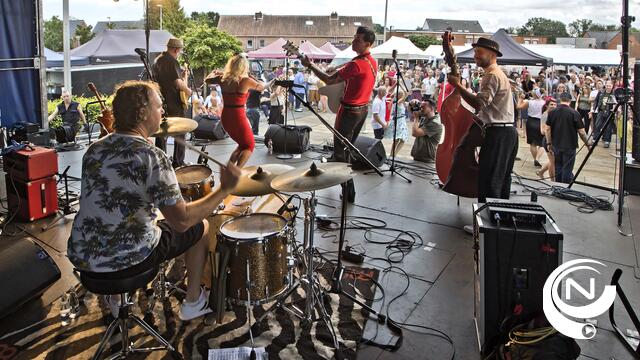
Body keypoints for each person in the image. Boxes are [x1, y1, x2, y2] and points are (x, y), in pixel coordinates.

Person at [67, 80, 241, 321]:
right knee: (201, 227)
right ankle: (192, 302)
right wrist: (225, 189)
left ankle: (116, 299)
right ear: (142, 113)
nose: (163, 112)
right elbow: (182, 221)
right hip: (128, 262)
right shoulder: (151, 157)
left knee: (124, 221)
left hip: (84, 258)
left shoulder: (94, 150)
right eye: (159, 107)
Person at [300, 26, 377, 203]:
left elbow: (328, 80)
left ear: (367, 43)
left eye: (358, 39)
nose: (353, 41)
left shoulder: (356, 65)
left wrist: (310, 65)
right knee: (348, 149)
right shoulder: (371, 62)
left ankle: (349, 190)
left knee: (341, 152)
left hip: (349, 113)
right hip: (362, 111)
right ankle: (348, 188)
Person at [447, 37, 518, 210]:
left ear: (492, 54)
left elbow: (480, 103)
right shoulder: (497, 74)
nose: (475, 55)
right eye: (475, 52)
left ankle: (486, 222)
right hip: (507, 133)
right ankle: (496, 222)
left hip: (498, 134)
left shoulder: (492, 75)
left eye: (479, 52)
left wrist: (458, 86)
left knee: (489, 179)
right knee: (501, 179)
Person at [205, 54, 271, 167]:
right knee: (249, 145)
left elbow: (207, 80)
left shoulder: (223, 78)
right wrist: (272, 81)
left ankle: (229, 169)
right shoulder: (245, 80)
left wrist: (215, 72)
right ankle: (235, 173)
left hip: (226, 116)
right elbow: (262, 87)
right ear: (243, 67)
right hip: (237, 116)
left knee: (242, 144)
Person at [152, 37, 191, 168]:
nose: (179, 53)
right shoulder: (171, 61)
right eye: (179, 51)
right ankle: (178, 162)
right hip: (174, 101)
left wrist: (183, 74)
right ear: (176, 49)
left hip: (161, 101)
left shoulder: (158, 60)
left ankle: (161, 161)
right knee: (181, 130)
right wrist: (188, 90)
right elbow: (177, 83)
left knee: (162, 131)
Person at [545, 92, 591, 183]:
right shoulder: (574, 113)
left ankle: (558, 186)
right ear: (570, 101)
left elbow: (547, 129)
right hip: (570, 145)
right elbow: (581, 132)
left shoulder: (552, 112)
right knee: (567, 168)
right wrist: (587, 144)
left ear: (560, 100)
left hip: (556, 144)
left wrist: (549, 143)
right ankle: (565, 188)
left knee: (558, 167)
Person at [517, 89, 546, 167]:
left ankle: (535, 159)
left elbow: (519, 107)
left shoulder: (529, 102)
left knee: (532, 143)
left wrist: (520, 99)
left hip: (531, 121)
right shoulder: (544, 103)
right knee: (542, 143)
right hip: (540, 121)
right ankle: (537, 158)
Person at [410, 98, 443, 163]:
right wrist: (411, 103)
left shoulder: (435, 123)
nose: (421, 109)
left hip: (427, 160)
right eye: (420, 107)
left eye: (423, 107)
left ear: (431, 109)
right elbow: (411, 110)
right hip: (419, 157)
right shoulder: (425, 116)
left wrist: (416, 118)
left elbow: (415, 133)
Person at [537, 97, 557, 179]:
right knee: (553, 163)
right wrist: (549, 131)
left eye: (555, 104)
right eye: (551, 104)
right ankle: (553, 181)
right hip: (548, 141)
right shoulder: (545, 115)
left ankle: (541, 172)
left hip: (553, 140)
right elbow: (542, 131)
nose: (553, 106)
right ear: (546, 106)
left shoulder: (553, 114)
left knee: (552, 161)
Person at [385, 89, 409, 156]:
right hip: (399, 121)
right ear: (399, 95)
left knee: (401, 140)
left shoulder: (398, 102)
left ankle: (393, 154)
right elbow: (406, 94)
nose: (402, 95)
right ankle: (392, 154)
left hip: (401, 120)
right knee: (397, 139)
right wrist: (400, 83)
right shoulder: (398, 102)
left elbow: (406, 94)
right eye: (401, 94)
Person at [592, 81, 617, 148]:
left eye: (610, 86)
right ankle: (595, 140)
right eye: (607, 85)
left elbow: (617, 103)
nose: (608, 87)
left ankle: (607, 141)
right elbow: (596, 100)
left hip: (610, 112)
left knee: (608, 127)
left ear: (612, 86)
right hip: (601, 111)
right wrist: (594, 108)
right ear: (605, 86)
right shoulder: (601, 92)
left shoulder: (614, 93)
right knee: (597, 125)